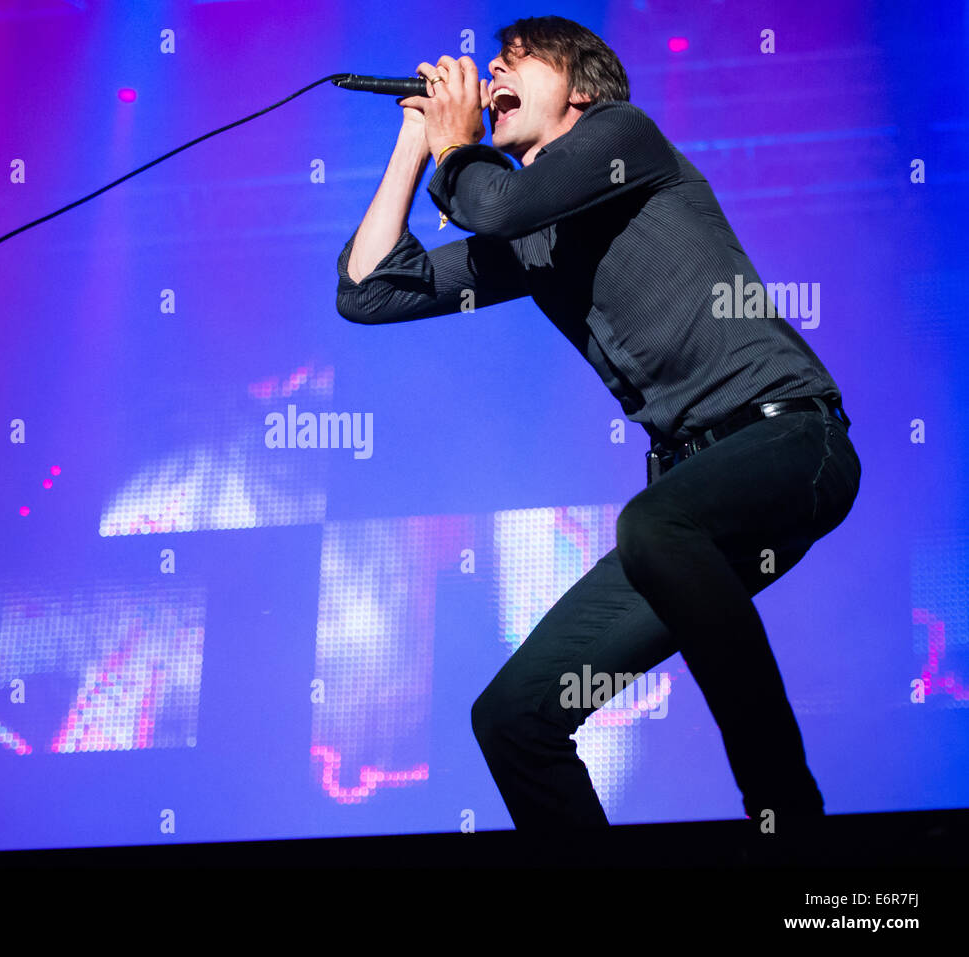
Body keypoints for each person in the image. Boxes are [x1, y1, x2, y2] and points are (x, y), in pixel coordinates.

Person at [335, 15, 861, 842]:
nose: (494, 73)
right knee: (512, 717)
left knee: (654, 521)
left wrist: (455, 147)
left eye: (516, 62)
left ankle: (787, 816)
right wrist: (417, 134)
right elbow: (370, 290)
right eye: (492, 63)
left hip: (791, 441)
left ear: (579, 87)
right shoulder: (530, 234)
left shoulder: (627, 136)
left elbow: (497, 203)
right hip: (686, 514)